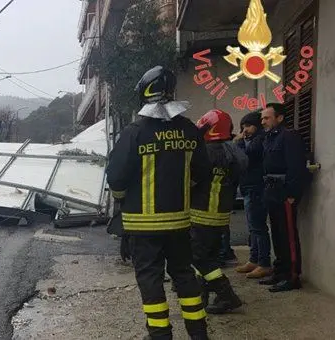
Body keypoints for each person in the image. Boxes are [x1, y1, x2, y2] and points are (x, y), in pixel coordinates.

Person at [106, 65, 212, 340]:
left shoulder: (134, 132)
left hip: (142, 226)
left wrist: (120, 204)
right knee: (184, 275)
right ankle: (199, 334)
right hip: (179, 222)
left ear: (143, 93)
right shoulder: (189, 130)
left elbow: (116, 179)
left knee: (150, 280)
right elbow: (203, 173)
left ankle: (160, 334)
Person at [190, 109, 247, 314]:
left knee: (198, 258)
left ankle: (226, 295)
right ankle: (200, 296)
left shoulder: (205, 152)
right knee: (208, 256)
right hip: (220, 215)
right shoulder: (233, 153)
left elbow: (190, 182)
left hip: (201, 214)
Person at [258, 103, 309, 292]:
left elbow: (296, 167)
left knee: (288, 236)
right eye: (262, 118)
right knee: (277, 235)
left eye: (267, 118)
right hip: (272, 191)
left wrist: (292, 194)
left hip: (284, 192)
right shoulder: (270, 138)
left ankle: (292, 276)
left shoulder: (289, 136)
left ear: (279, 118)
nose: (263, 121)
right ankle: (279, 272)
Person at [234, 111, 273, 278]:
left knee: (258, 227)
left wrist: (239, 143)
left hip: (257, 188)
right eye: (243, 127)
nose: (245, 131)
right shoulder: (253, 139)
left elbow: (246, 158)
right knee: (253, 228)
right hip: (249, 188)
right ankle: (254, 259)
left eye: (248, 126)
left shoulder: (260, 140)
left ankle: (264, 263)